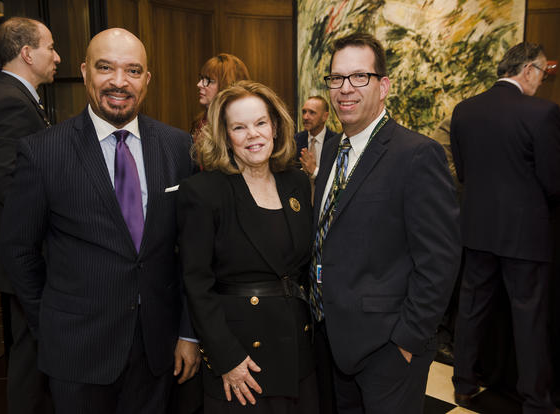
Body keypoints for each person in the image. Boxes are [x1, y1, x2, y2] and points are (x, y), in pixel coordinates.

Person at [0, 28, 200, 413]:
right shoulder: (43, 152)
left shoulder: (176, 146)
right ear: (85, 71)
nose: (119, 82)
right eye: (106, 68)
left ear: (147, 79)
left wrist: (187, 332)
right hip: (77, 352)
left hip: (157, 351)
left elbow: (190, 251)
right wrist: (53, 326)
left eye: (133, 70)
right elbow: (18, 250)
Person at [309, 32, 461, 414]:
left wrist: (406, 342)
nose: (345, 88)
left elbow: (439, 260)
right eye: (336, 78)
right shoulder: (331, 149)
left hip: (388, 349)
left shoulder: (416, 155)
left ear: (384, 86)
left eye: (359, 77)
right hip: (336, 339)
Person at [177, 80, 319, 413]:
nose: (252, 134)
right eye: (239, 127)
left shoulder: (296, 182)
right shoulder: (203, 191)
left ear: (275, 126)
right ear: (225, 136)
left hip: (298, 347)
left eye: (260, 123)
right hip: (242, 359)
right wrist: (227, 357)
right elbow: (197, 284)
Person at [451, 42, 560, 414]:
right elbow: (553, 181)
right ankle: (537, 402)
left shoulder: (464, 111)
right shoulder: (542, 113)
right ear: (528, 69)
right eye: (543, 75)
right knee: (529, 319)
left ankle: (463, 385)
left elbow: (463, 173)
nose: (542, 83)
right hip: (525, 235)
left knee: (470, 310)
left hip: (477, 230)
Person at [0, 16, 60, 414]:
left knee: (32, 346)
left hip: (21, 250)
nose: (57, 57)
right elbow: (12, 186)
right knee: (30, 352)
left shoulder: (15, 96)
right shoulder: (10, 101)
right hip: (23, 253)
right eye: (50, 47)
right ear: (28, 53)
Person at [191, 53, 250, 142]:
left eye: (208, 80)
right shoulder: (199, 122)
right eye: (201, 78)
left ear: (227, 86)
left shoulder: (239, 126)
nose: (199, 84)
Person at [295, 96, 338, 179]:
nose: (305, 117)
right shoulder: (295, 140)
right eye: (304, 112)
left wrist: (314, 171)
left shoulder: (336, 142)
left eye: (312, 112)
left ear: (325, 116)